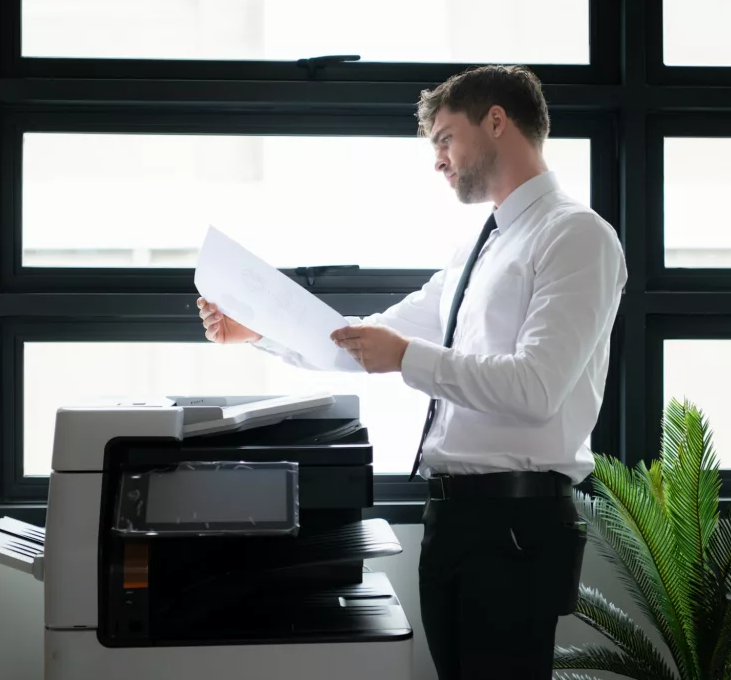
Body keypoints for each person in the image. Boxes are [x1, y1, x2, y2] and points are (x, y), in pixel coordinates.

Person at [196, 64, 627, 680]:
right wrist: (256, 331)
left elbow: (536, 387)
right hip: (452, 519)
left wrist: (405, 357)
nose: (439, 161)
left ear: (497, 122)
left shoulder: (576, 235)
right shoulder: (477, 250)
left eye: (446, 139)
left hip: (516, 524)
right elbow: (365, 340)